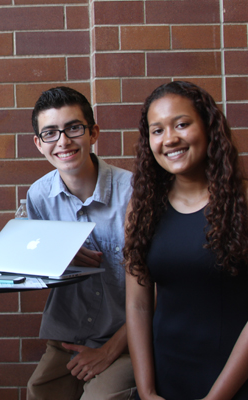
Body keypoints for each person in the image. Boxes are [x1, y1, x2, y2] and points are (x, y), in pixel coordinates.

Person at [124, 81, 248, 399]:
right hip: (165, 379)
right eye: (157, 130)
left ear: (207, 126)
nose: (170, 139)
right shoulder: (142, 207)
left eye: (181, 124)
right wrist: (147, 390)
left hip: (233, 378)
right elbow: (138, 305)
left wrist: (216, 397)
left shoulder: (243, 200)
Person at [26, 86, 136, 399]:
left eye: (73, 128)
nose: (62, 141)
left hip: (125, 338)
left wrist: (111, 350)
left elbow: (158, 287)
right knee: (37, 392)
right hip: (67, 337)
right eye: (50, 133)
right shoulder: (38, 196)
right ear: (39, 143)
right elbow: (33, 269)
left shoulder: (134, 192)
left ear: (93, 133)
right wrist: (57, 253)